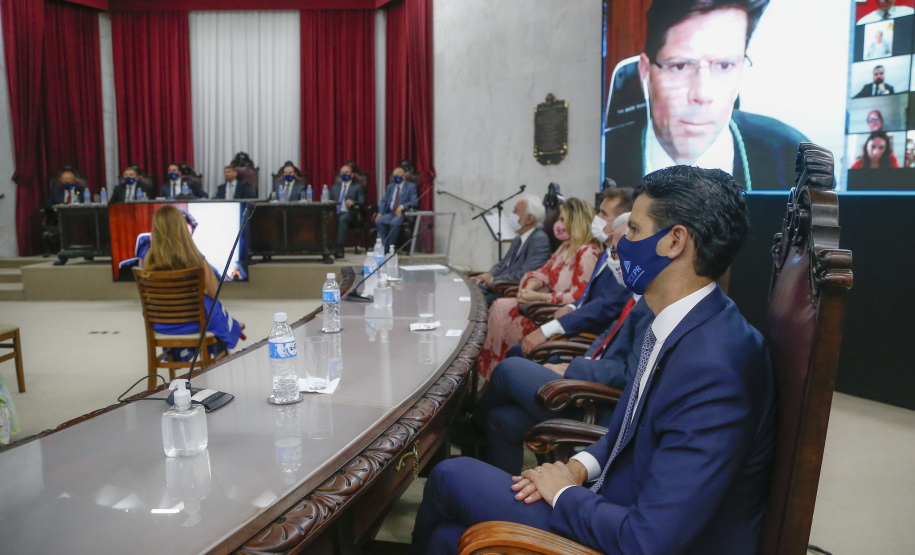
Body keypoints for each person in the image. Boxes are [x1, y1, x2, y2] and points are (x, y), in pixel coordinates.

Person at [411, 165, 776, 555]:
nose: (620, 242)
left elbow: (647, 540)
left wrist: (564, 493)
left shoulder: (714, 369)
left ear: (674, 241)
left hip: (625, 529)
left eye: (633, 229)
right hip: (615, 500)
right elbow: (629, 430)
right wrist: (576, 467)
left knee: (450, 475)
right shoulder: (686, 322)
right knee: (448, 537)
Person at [603, 0, 807, 191]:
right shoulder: (604, 155)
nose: (702, 94)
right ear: (646, 72)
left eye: (724, 65)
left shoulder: (793, 159)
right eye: (680, 66)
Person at [476, 198, 602, 378]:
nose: (558, 224)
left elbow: (577, 297)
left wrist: (538, 297)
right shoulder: (566, 247)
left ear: (576, 221)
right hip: (542, 302)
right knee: (499, 306)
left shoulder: (587, 252)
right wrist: (528, 289)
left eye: (563, 219)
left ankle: (501, 371)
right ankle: (492, 372)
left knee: (501, 310)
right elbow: (543, 272)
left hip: (555, 311)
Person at [517, 189, 634, 357]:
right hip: (574, 324)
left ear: (621, 220)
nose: (596, 217)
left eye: (603, 213)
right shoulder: (606, 252)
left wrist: (550, 328)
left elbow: (605, 304)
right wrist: (572, 307)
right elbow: (588, 295)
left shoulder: (622, 260)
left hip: (587, 339)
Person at [141, 205, 245, 360]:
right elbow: (214, 293)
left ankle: (182, 352)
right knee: (213, 307)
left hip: (161, 324)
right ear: (182, 229)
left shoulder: (146, 261)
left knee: (210, 311)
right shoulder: (197, 260)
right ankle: (231, 331)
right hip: (195, 323)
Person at [469, 195, 551, 306]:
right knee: (469, 285)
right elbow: (502, 264)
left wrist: (493, 280)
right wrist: (488, 275)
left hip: (508, 290)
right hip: (497, 285)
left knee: (471, 297)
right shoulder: (518, 238)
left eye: (517, 210)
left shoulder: (539, 239)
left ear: (529, 219)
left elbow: (524, 275)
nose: (512, 213)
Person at [374, 167, 419, 250]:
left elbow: (414, 202)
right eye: (394, 176)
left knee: (394, 222)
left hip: (401, 213)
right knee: (379, 221)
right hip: (390, 213)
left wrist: (402, 207)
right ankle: (385, 245)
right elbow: (384, 201)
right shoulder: (390, 187)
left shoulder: (411, 186)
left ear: (403, 176)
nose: (395, 178)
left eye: (398, 176)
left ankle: (392, 245)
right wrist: (380, 213)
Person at [329, 163, 366, 257]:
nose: (344, 174)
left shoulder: (357, 187)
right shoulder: (335, 187)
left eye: (346, 172)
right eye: (342, 173)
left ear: (352, 175)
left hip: (350, 213)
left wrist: (353, 202)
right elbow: (329, 200)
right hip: (336, 212)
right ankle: (326, 248)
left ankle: (339, 249)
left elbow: (362, 202)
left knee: (342, 218)